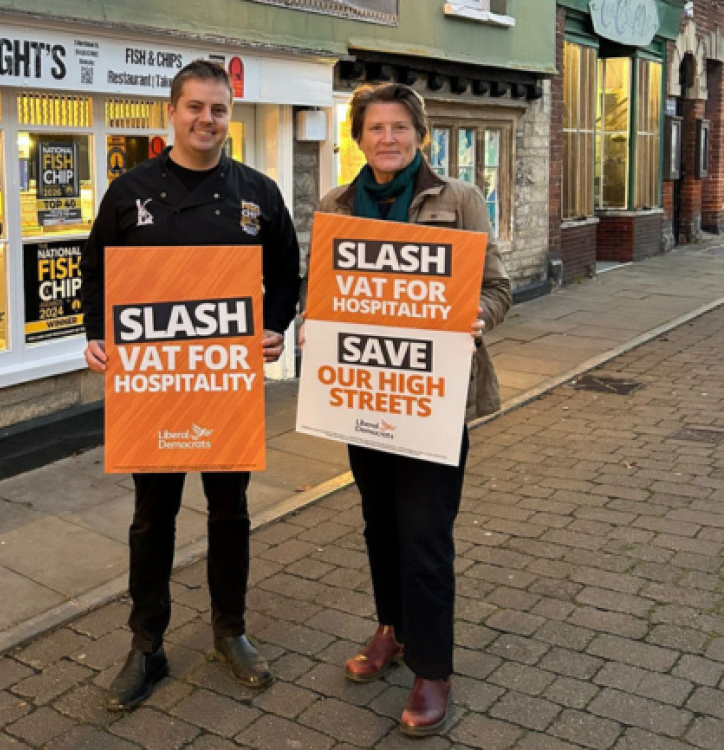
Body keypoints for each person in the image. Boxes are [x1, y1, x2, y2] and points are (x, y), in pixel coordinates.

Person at [81, 59, 301, 712]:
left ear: (229, 116)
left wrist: (278, 325)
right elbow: (96, 267)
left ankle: (230, 631)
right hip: (152, 389)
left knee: (230, 513)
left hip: (226, 386)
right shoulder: (130, 191)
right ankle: (146, 644)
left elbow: (288, 268)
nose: (206, 119)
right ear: (171, 112)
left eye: (219, 109)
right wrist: (97, 330)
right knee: (154, 517)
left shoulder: (258, 194)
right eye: (195, 107)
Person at [308, 82, 511, 736]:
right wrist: (310, 323)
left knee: (425, 534)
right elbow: (322, 295)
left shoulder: (459, 201)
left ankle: (432, 668)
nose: (387, 138)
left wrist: (480, 313)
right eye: (374, 128)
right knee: (379, 525)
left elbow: (498, 286)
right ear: (358, 136)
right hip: (363, 395)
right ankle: (392, 630)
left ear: (419, 134)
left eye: (399, 127)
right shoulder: (336, 205)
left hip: (433, 398)